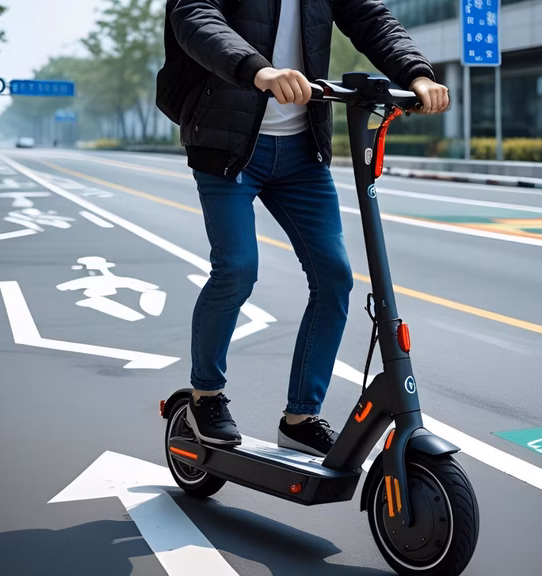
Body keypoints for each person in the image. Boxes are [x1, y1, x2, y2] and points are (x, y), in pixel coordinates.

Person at [170, 0, 449, 457]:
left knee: (335, 277)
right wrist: (258, 71)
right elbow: (196, 18)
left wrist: (415, 72)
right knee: (237, 269)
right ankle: (206, 397)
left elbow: (370, 18)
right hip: (228, 144)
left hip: (302, 150)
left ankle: (301, 417)